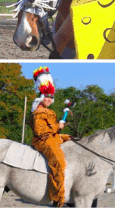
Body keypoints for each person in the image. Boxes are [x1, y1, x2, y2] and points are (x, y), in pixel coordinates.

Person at [30, 67, 72, 207]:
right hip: (42, 141)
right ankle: (57, 198)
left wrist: (64, 134)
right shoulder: (38, 112)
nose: (49, 99)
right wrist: (57, 127)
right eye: (47, 96)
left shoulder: (50, 111)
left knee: (71, 140)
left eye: (51, 97)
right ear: (41, 96)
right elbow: (41, 132)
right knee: (59, 162)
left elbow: (53, 132)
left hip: (50, 138)